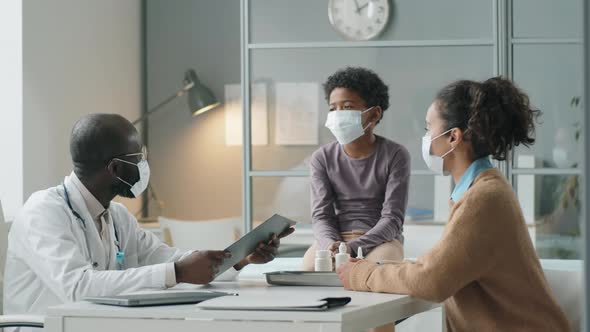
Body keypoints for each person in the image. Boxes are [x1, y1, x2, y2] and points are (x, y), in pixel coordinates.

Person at [4, 114, 294, 325]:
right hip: (45, 327)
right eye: (139, 156)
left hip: (94, 324)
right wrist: (177, 272)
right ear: (115, 167)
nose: (144, 164)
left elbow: (167, 258)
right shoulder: (44, 211)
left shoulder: (116, 217)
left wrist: (239, 258)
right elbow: (78, 287)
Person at [337, 77, 570, 331]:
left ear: (453, 138)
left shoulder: (484, 198)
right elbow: (438, 266)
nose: (425, 138)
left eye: (428, 129)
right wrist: (371, 268)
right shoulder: (479, 190)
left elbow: (432, 280)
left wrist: (362, 275)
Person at [302, 67, 410, 271]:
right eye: (333, 109)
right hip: (335, 240)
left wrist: (353, 248)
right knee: (308, 270)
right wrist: (331, 245)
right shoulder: (322, 158)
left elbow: (392, 218)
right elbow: (321, 216)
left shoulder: (395, 154)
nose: (338, 115)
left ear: (374, 114)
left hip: (381, 241)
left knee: (373, 273)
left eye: (347, 107)